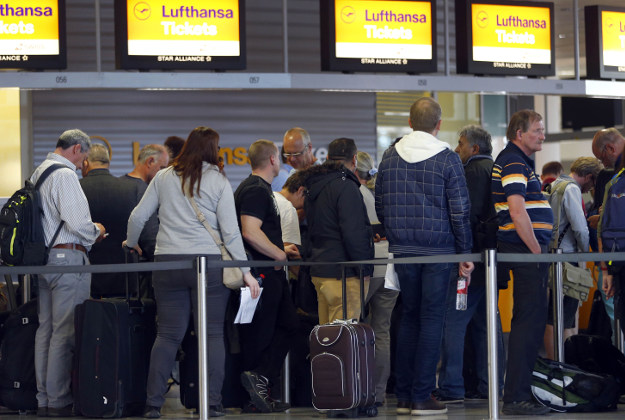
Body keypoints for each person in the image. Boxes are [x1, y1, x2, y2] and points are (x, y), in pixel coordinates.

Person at [124, 127, 259, 419]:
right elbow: (231, 232)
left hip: (168, 262)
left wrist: (131, 242)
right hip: (208, 265)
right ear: (213, 150)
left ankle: (153, 404)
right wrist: (246, 272)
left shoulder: (163, 176)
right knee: (210, 335)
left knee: (168, 336)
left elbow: (138, 216)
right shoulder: (218, 180)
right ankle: (210, 403)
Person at [375, 97, 473, 416]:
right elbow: (459, 211)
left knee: (408, 317)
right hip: (438, 250)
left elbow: (380, 204)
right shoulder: (447, 158)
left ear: (409, 121)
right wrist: (465, 252)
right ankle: (421, 396)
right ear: (439, 124)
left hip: (402, 250)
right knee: (432, 318)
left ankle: (403, 396)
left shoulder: (389, 156)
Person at [33, 129, 106, 417]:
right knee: (64, 332)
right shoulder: (64, 175)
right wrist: (96, 231)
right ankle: (58, 399)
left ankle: (43, 397)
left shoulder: (39, 172)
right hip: (68, 259)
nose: (82, 164)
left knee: (46, 330)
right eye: (83, 158)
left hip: (45, 261)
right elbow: (77, 222)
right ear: (76, 149)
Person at [435, 125, 505, 403]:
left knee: (454, 320)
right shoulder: (496, 169)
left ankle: (451, 386)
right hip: (490, 261)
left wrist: (462, 255)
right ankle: (491, 384)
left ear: (474, 149)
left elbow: (465, 216)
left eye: (461, 144)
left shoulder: (473, 172)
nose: (456, 148)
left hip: (470, 262)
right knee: (488, 324)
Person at [492, 109, 553, 416]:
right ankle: (516, 398)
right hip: (526, 252)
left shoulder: (518, 160)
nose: (543, 135)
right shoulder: (514, 161)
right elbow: (517, 212)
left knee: (528, 324)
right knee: (528, 325)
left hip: (527, 251)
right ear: (520, 133)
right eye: (538, 130)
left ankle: (519, 393)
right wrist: (536, 250)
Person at [234, 139, 298, 414]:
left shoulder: (255, 188)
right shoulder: (255, 190)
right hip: (263, 274)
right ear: (272, 159)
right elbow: (249, 230)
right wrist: (278, 255)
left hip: (263, 270)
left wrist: (279, 249)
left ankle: (257, 389)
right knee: (271, 331)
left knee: (279, 328)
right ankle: (258, 379)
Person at [301, 138, 374, 325]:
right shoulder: (346, 186)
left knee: (327, 340)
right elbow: (353, 232)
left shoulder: (315, 184)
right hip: (344, 275)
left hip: (320, 271)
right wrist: (364, 267)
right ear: (354, 159)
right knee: (343, 343)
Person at [543, 157, 602, 359]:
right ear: (589, 177)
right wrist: (585, 252)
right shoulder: (572, 189)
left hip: (552, 256)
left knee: (553, 315)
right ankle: (564, 364)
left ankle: (554, 362)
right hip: (568, 258)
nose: (591, 189)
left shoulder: (555, 185)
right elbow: (581, 229)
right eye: (593, 183)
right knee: (566, 317)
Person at [354, 150, 399, 407]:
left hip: (366, 267)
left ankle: (355, 389)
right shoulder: (383, 191)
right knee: (381, 330)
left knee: (351, 326)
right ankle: (378, 393)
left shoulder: (354, 192)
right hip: (390, 266)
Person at [80, 144, 144, 297]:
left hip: (88, 274)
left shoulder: (77, 188)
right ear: (108, 162)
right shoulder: (130, 189)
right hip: (124, 274)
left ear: (86, 162)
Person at [122, 144, 169, 259]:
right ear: (150, 162)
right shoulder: (145, 190)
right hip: (142, 264)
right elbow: (150, 236)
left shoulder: (118, 184)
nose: (164, 174)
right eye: (162, 168)